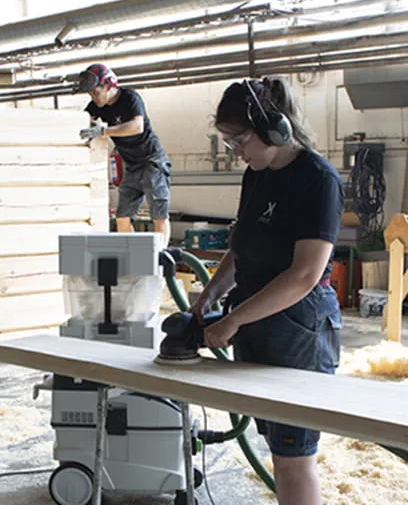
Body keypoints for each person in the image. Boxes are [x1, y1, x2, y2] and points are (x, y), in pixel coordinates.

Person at [189, 77, 343, 505]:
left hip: (298, 327)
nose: (234, 150)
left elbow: (303, 275)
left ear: (275, 129)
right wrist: (211, 294)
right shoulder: (256, 175)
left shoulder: (317, 180)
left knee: (294, 457)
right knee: (277, 446)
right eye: (228, 140)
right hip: (257, 319)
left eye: (239, 139)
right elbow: (242, 245)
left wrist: (235, 319)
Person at [76, 63, 172, 246]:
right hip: (132, 165)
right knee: (122, 216)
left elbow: (137, 126)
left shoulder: (130, 98)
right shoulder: (97, 106)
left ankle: (160, 257)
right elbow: (81, 122)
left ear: (109, 86)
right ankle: (134, 254)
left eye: (96, 92)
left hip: (152, 160)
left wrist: (103, 131)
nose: (94, 97)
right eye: (90, 94)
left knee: (159, 213)